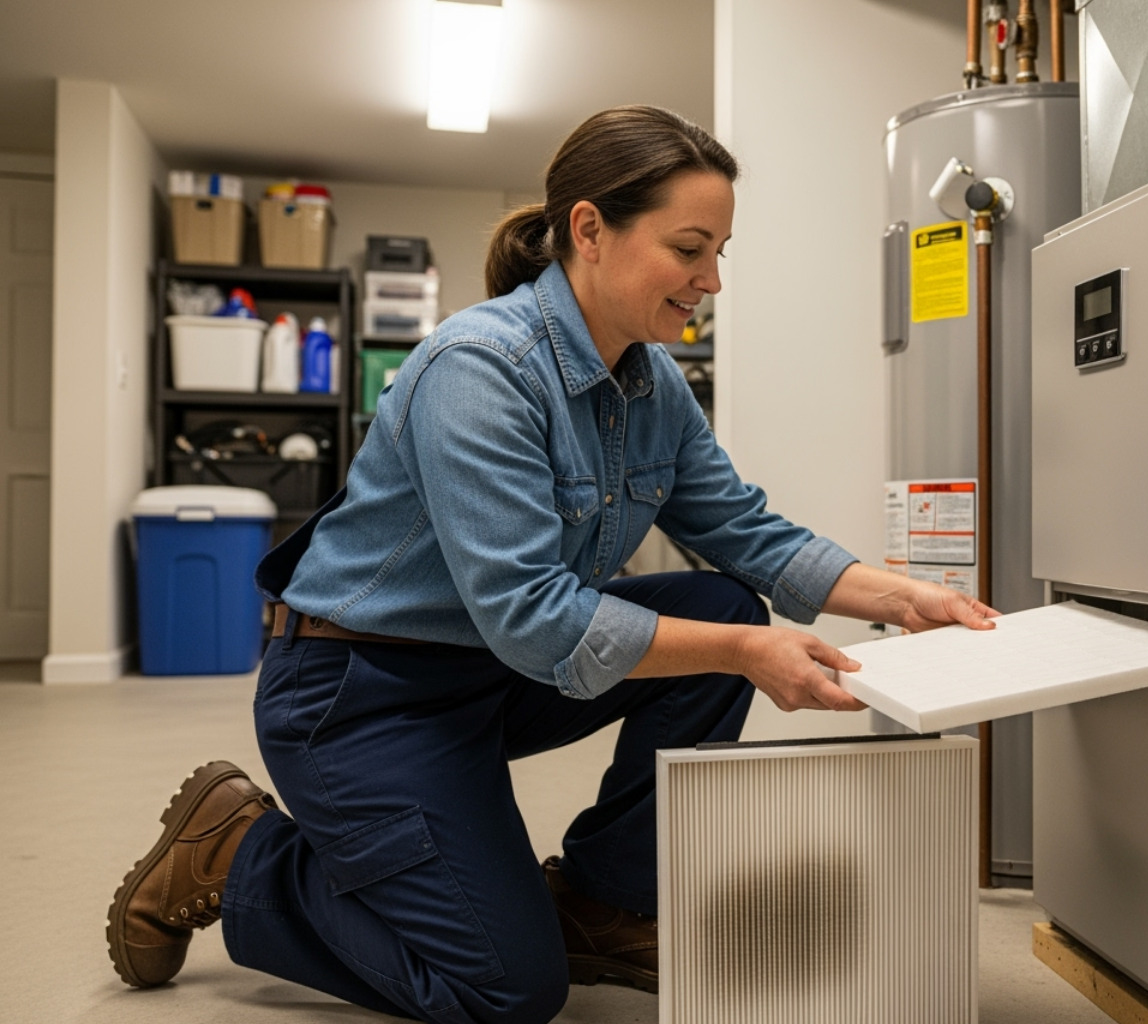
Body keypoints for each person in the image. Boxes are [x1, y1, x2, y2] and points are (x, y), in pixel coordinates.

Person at [106, 105, 996, 1024]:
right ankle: (240, 850)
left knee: (721, 595)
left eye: (721, 251)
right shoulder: (481, 369)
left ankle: (603, 902)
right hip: (358, 694)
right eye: (691, 248)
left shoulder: (653, 388)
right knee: (506, 989)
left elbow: (750, 534)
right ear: (589, 231)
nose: (712, 279)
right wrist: (742, 652)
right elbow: (533, 617)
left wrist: (909, 598)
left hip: (484, 671)